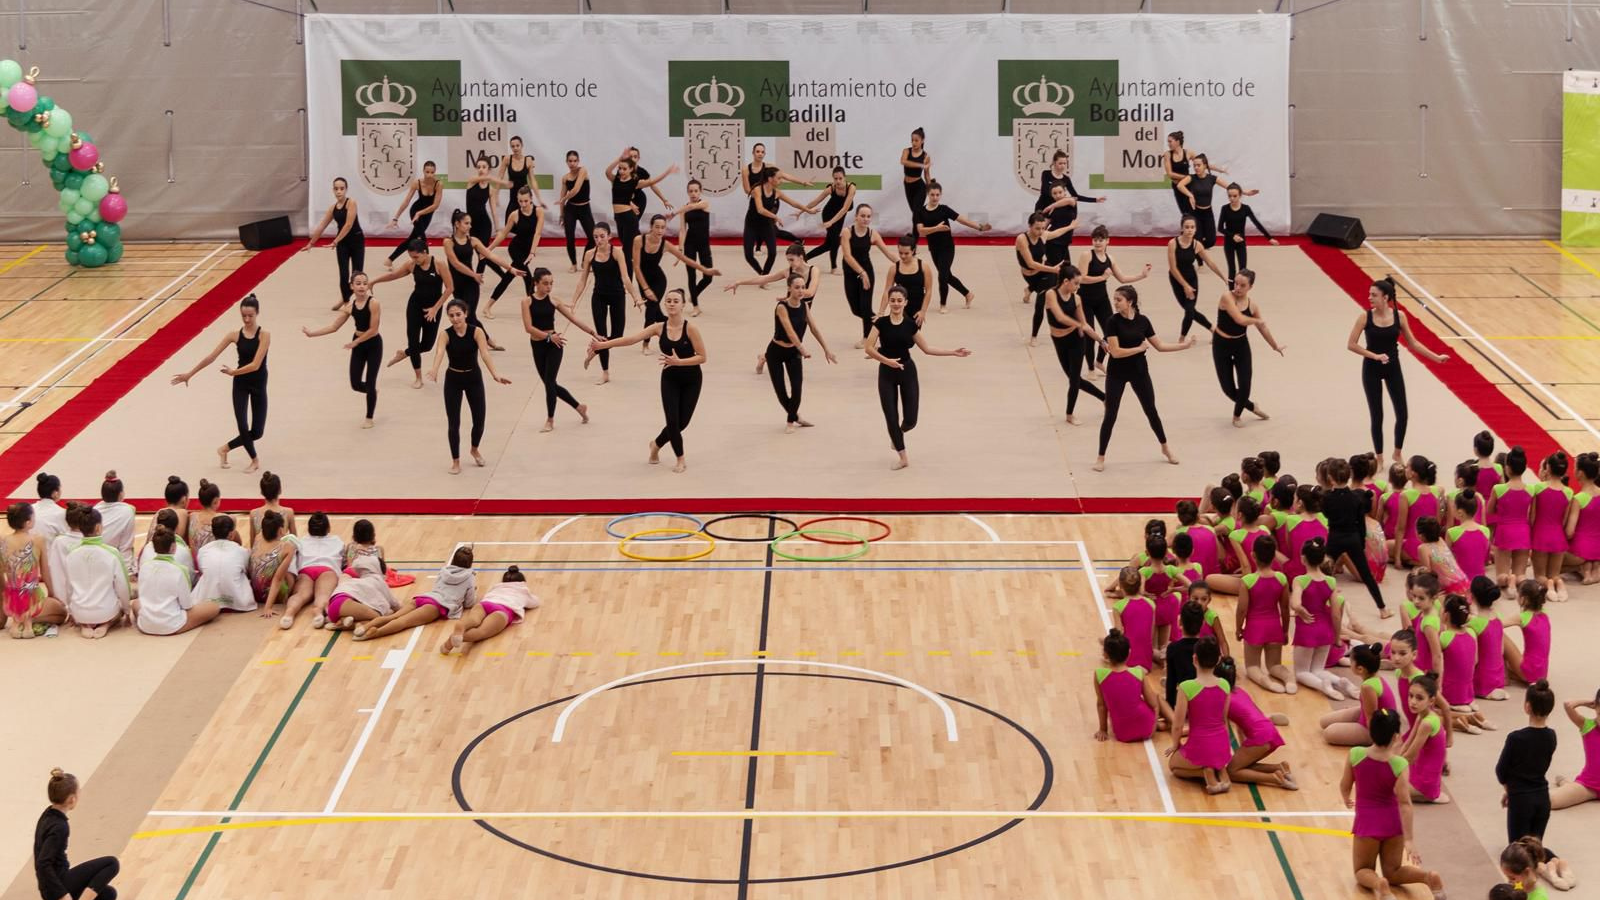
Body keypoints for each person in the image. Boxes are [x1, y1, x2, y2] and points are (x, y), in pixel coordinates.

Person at [587, 289, 705, 473]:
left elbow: (702, 357)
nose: (672, 303)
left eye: (676, 301)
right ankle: (680, 458)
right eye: (669, 301)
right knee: (673, 422)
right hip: (670, 379)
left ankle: (656, 444)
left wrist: (679, 362)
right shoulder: (658, 327)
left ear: (683, 305)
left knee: (683, 422)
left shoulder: (691, 329)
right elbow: (631, 339)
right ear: (665, 304)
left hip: (692, 380)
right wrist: (604, 345)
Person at [1339, 708, 1446, 899]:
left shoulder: (1355, 754)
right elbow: (1405, 803)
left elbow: (1345, 784)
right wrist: (1409, 840)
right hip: (1393, 823)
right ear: (1396, 736)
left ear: (1371, 730)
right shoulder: (1399, 764)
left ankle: (1378, 884)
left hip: (1367, 823)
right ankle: (1428, 877)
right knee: (1393, 870)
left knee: (1362, 870)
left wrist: (1346, 797)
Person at [864, 285, 972, 471]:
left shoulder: (910, 325)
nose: (896, 304)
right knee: (891, 416)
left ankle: (899, 433)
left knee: (911, 419)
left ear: (905, 302)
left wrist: (953, 352)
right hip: (887, 373)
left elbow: (928, 349)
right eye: (893, 300)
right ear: (888, 302)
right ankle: (903, 456)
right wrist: (886, 361)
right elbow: (869, 348)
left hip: (907, 371)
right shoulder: (880, 323)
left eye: (899, 300)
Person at [1348, 275, 1450, 462]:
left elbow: (1413, 343)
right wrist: (1374, 355)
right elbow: (1351, 344)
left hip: (1393, 367)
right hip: (1371, 368)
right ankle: (1379, 457)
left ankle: (1397, 452)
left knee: (1402, 413)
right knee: (1377, 414)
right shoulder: (1365, 317)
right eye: (1369, 294)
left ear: (1385, 297)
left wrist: (1436, 358)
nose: (1369, 298)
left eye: (1374, 295)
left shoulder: (1399, 316)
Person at [1094, 285, 1192, 472]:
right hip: (1117, 373)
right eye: (1114, 299)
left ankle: (1165, 447)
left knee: (1151, 410)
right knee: (1110, 414)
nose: (1115, 303)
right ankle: (1101, 456)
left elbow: (1160, 346)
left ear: (1130, 302)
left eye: (1119, 300)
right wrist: (1138, 349)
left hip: (1139, 372)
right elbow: (1115, 352)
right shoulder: (1112, 322)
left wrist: (1184, 346)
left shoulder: (1143, 321)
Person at [170, 294, 270, 472]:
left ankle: (224, 449)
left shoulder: (264, 336)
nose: (247, 319)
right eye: (243, 316)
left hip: (258, 382)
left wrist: (233, 372)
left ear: (257, 314)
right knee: (242, 424)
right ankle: (254, 460)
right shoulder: (234, 335)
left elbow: (255, 365)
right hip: (240, 384)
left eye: (250, 316)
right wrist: (190, 374)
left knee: (257, 432)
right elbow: (212, 356)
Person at [428, 299, 513, 474]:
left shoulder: (477, 332)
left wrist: (495, 374)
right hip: (453, 379)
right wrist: (434, 369)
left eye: (458, 314)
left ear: (465, 314)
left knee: (479, 421)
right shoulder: (445, 334)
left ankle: (474, 449)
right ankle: (456, 461)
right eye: (451, 316)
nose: (455, 318)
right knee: (454, 423)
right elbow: (439, 352)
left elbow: (485, 354)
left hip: (473, 377)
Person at [303, 270, 383, 427]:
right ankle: (372, 392)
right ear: (351, 286)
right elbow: (334, 327)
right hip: (358, 343)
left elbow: (373, 329)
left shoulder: (374, 303)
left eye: (365, 283)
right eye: (358, 283)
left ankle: (369, 417)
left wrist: (356, 342)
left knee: (371, 380)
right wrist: (312, 334)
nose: (362, 286)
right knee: (355, 383)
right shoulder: (349, 306)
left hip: (373, 344)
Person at [370, 237, 452, 389]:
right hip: (415, 306)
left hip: (433, 308)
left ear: (425, 252)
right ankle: (418, 377)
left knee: (427, 345)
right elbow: (393, 275)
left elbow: (449, 288)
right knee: (413, 341)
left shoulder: (439, 264)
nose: (414, 260)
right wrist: (374, 281)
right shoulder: (412, 265)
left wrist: (435, 308)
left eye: (416, 257)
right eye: (411, 257)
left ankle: (405, 353)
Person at [522, 267, 596, 432]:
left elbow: (574, 319)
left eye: (551, 284)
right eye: (545, 283)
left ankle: (550, 420)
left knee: (549, 383)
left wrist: (593, 333)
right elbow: (528, 328)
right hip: (539, 344)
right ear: (536, 283)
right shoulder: (526, 302)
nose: (549, 287)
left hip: (555, 345)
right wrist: (548, 337)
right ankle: (579, 407)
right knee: (550, 384)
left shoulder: (554, 301)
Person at [570, 221, 644, 385]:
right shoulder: (590, 254)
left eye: (602, 236)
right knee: (602, 336)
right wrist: (573, 302)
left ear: (609, 237)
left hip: (617, 295)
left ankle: (594, 351)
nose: (599, 240)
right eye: (595, 237)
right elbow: (582, 281)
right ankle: (605, 372)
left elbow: (626, 278)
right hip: (599, 297)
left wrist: (636, 298)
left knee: (617, 335)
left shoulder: (617, 253)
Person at [763, 272, 838, 432]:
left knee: (797, 388)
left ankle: (791, 420)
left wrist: (826, 349)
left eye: (803, 287)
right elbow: (790, 332)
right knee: (781, 391)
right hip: (775, 352)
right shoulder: (782, 307)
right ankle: (795, 418)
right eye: (797, 287)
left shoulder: (804, 306)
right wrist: (802, 349)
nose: (801, 290)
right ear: (789, 288)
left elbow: (814, 328)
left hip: (793, 353)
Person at [1211, 268, 1284, 426]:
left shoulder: (1252, 306)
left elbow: (1263, 328)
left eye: (1242, 285)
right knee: (1228, 389)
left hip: (1241, 344)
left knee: (1245, 385)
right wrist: (1256, 321)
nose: (1237, 287)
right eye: (1236, 283)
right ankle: (1251, 406)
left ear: (1250, 287)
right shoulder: (1226, 297)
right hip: (1221, 345)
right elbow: (1239, 319)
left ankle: (1236, 416)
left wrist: (1274, 345)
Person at [356, 546, 476, 642]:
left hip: (424, 597)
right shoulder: (469, 577)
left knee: (393, 616)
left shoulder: (444, 570)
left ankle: (364, 628)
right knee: (404, 622)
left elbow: (437, 587)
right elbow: (469, 603)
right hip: (436, 606)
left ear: (454, 559)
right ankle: (376, 633)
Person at [441, 209, 522, 350]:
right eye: (466, 223)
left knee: (469, 314)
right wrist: (474, 274)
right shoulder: (448, 242)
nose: (470, 226)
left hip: (471, 283)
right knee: (465, 316)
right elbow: (455, 263)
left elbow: (491, 256)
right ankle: (477, 339)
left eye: (470, 223)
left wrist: (510, 268)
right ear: (457, 224)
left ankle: (486, 341)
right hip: (457, 283)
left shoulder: (473, 241)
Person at [34, 769, 119, 900]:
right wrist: (62, 895)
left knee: (108, 894)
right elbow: (43, 864)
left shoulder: (47, 815)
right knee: (112, 864)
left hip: (53, 884)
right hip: (57, 886)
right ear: (72, 799)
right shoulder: (60, 827)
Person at [634, 213, 720, 344]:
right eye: (657, 227)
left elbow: (685, 259)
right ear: (651, 227)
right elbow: (636, 267)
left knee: (650, 311)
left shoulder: (665, 244)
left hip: (658, 280)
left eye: (663, 227)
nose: (660, 231)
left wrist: (705, 269)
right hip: (643, 281)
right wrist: (645, 288)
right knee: (657, 314)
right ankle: (677, 330)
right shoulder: (639, 240)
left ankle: (645, 343)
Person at [1214, 656, 1297, 790]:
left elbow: (1221, 727)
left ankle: (1274, 778)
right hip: (1270, 731)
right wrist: (1244, 749)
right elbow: (1241, 725)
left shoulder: (1221, 698)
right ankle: (1280, 767)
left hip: (1259, 736)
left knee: (1232, 772)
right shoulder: (1240, 691)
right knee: (1241, 765)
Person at [1076, 226, 1151, 373]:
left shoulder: (1110, 259)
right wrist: (1102, 277)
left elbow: (1122, 278)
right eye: (1095, 240)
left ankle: (1099, 361)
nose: (1097, 243)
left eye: (1101, 240)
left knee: (1111, 331)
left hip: (1101, 299)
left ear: (1107, 241)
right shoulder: (1087, 255)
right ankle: (1091, 368)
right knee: (1089, 335)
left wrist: (1141, 275)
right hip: (1085, 299)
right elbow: (1081, 279)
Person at [1324, 457, 1390, 616]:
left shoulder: (1326, 498)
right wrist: (1361, 543)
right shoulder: (1357, 497)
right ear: (1349, 476)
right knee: (1367, 575)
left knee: (1322, 571)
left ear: (1330, 478)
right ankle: (1382, 608)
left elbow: (1326, 515)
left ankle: (1321, 602)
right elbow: (1361, 522)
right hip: (1353, 537)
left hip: (1335, 537)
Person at [1166, 636, 1233, 794]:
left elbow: (1178, 725)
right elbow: (1224, 719)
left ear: (1194, 659)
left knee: (1173, 766)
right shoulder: (1225, 684)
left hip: (1201, 746)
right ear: (1218, 660)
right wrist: (1226, 748)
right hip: (1222, 745)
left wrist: (1176, 745)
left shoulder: (1186, 687)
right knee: (1212, 756)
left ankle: (1205, 772)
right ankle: (1220, 771)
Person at [913, 180, 991, 312]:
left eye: (938, 195)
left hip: (947, 247)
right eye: (932, 195)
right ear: (928, 194)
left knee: (942, 276)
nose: (935, 197)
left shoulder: (944, 209)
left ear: (941, 195)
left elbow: (962, 220)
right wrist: (936, 228)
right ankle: (967, 294)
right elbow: (921, 231)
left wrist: (979, 227)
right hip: (934, 248)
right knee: (946, 275)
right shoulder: (920, 212)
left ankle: (943, 305)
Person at [1043, 265, 1105, 425]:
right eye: (1076, 283)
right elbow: (1060, 317)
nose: (1078, 287)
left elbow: (1084, 325)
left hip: (1076, 341)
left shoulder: (1076, 299)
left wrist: (1101, 341)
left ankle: (1069, 414)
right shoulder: (1051, 294)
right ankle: (1105, 398)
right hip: (1059, 341)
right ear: (1065, 281)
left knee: (1074, 381)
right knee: (1073, 378)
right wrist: (1078, 325)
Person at [1498, 679, 1558, 844]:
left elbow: (1501, 771)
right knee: (1534, 849)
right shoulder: (1551, 736)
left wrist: (1510, 790)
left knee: (1518, 852)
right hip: (1542, 797)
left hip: (1521, 799)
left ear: (1527, 707)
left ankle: (1555, 862)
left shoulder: (1516, 738)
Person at [133, 526, 219, 637]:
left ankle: (151, 622)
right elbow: (187, 605)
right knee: (213, 607)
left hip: (145, 625)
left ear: (153, 547)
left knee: (136, 603)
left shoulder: (144, 566)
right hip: (171, 624)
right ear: (173, 547)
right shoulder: (179, 570)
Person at [440, 563, 541, 656]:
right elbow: (535, 603)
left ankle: (462, 625)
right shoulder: (523, 590)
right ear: (522, 582)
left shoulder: (497, 587)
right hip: (502, 610)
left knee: (474, 620)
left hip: (485, 604)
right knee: (480, 632)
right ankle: (449, 642)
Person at [606, 150, 676, 279]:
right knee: (626, 245)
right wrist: (619, 158)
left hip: (628, 218)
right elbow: (607, 171)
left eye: (624, 169)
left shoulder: (634, 183)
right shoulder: (616, 179)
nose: (621, 171)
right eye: (620, 168)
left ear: (631, 170)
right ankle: (643, 253)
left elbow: (652, 182)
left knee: (626, 251)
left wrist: (667, 172)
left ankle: (628, 280)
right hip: (619, 217)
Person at [63, 508, 129, 638]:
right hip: (106, 611)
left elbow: (68, 588)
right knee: (120, 609)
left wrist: (71, 611)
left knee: (83, 606)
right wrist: (127, 610)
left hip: (79, 612)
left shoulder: (71, 554)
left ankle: (84, 624)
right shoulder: (112, 553)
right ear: (98, 527)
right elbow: (123, 587)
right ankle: (106, 624)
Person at [4, 503, 66, 639]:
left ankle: (17, 619)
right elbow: (45, 572)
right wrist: (52, 594)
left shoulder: (3, 541)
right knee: (62, 613)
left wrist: (5, 594)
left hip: (12, 597)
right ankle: (27, 619)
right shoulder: (38, 539)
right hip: (32, 597)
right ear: (28, 522)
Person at [303, 176, 365, 308]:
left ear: (346, 189)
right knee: (343, 274)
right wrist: (311, 243)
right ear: (333, 190)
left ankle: (356, 299)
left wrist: (335, 241)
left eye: (342, 189)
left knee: (357, 273)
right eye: (336, 189)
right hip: (342, 243)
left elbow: (348, 225)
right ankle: (346, 301)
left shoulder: (351, 203)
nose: (339, 192)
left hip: (356, 240)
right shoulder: (333, 208)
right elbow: (322, 226)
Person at [1016, 212, 1076, 345]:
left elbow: (1057, 233)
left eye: (1043, 228)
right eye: (1037, 228)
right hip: (1031, 274)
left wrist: (1070, 226)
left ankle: (1034, 336)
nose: (1040, 231)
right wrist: (1053, 269)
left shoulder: (1043, 235)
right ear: (1029, 226)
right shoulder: (1022, 239)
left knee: (1041, 303)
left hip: (1045, 272)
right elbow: (1030, 264)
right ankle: (1029, 289)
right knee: (1039, 286)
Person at [482, 187, 543, 316]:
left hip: (527, 251)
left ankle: (487, 306)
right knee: (527, 276)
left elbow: (537, 233)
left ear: (531, 199)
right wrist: (488, 250)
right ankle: (534, 309)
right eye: (520, 201)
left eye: (526, 201)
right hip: (515, 249)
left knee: (508, 277)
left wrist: (532, 252)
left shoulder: (538, 212)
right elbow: (503, 234)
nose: (523, 204)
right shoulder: (514, 215)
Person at [1093, 628, 1161, 743]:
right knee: (1158, 698)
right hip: (1147, 729)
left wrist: (1103, 730)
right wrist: (1154, 724)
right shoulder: (1138, 672)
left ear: (1105, 654)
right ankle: (1169, 723)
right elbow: (1154, 704)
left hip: (1122, 734)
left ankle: (1165, 724)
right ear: (1129, 652)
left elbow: (1101, 705)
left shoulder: (1099, 674)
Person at [1322, 643, 1398, 746]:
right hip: (1371, 715)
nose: (1350, 663)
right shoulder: (1375, 677)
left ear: (1360, 669)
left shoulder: (1368, 687)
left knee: (1329, 733)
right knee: (1324, 722)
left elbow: (1372, 717)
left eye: (1351, 661)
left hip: (1377, 728)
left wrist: (1377, 742)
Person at [1174, 153, 1256, 248]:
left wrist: (1245, 192)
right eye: (1194, 166)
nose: (1196, 168)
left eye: (1198, 165)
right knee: (1198, 239)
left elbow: (1229, 187)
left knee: (1211, 241)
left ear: (1205, 166)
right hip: (1195, 213)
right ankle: (1197, 253)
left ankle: (1196, 248)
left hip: (1208, 212)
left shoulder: (1211, 178)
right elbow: (1180, 185)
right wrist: (1190, 195)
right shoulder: (1191, 178)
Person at [840, 204, 897, 342]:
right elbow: (847, 256)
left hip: (867, 272)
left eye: (868, 216)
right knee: (855, 309)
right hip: (851, 272)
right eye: (862, 216)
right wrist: (861, 272)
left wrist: (905, 263)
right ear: (856, 217)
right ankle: (882, 324)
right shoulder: (847, 232)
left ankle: (867, 338)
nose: (865, 219)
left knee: (865, 307)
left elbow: (888, 253)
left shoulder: (872, 234)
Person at [1166, 215, 1225, 339]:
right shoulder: (1173, 243)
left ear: (1195, 229)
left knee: (1189, 310)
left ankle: (1181, 339)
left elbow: (1210, 263)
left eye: (1192, 227)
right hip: (1176, 280)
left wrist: (1223, 277)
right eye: (1187, 227)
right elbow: (1173, 268)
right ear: (1182, 228)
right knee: (1190, 310)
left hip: (1192, 279)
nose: (1189, 230)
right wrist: (1185, 286)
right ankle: (1214, 330)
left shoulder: (1197, 245)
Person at [282, 512, 343, 629]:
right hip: (327, 570)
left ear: (309, 529)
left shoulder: (302, 541)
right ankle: (318, 612)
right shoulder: (337, 541)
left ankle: (289, 613)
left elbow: (293, 560)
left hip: (306, 570)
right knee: (323, 595)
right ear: (328, 528)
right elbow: (343, 560)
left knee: (300, 594)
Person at [1491, 447, 1536, 590]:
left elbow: (1489, 510)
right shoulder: (1531, 489)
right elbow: (1532, 517)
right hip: (1523, 531)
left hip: (1504, 531)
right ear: (1525, 468)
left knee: (1501, 576)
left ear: (1507, 468)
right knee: (1520, 574)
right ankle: (1517, 580)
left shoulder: (1498, 489)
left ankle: (1508, 580)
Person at [1531, 452, 1573, 602]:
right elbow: (1564, 519)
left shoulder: (1538, 488)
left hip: (1540, 535)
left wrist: (1531, 533)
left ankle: (1548, 585)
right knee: (1555, 574)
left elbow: (1532, 516)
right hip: (1558, 536)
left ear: (1547, 468)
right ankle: (1558, 582)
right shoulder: (1569, 492)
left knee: (1539, 576)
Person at [191, 515, 254, 613]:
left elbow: (202, 570)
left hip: (207, 599)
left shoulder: (203, 550)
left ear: (213, 533)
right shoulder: (242, 551)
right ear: (231, 534)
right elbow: (246, 570)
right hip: (238, 601)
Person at [1550, 688, 1600, 811]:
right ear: (1596, 709)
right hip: (1588, 786)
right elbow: (1568, 705)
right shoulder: (1587, 725)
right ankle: (1567, 785)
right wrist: (1588, 702)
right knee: (1551, 801)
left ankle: (1566, 784)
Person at [1216, 183, 1278, 280]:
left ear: (1240, 195)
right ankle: (1231, 292)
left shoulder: (1245, 208)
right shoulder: (1225, 209)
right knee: (1232, 270)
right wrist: (1232, 236)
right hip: (1229, 242)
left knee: (1243, 270)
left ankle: (1242, 293)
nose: (1232, 198)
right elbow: (1220, 228)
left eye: (1235, 196)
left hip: (1241, 242)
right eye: (1229, 196)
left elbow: (1257, 223)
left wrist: (1269, 238)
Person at [385, 160, 442, 264]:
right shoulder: (417, 183)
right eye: (427, 172)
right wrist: (395, 218)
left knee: (412, 238)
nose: (429, 175)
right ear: (423, 171)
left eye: (432, 172)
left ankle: (390, 259)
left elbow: (435, 205)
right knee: (422, 238)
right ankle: (428, 262)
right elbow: (406, 201)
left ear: (435, 172)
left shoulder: (438, 184)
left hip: (427, 213)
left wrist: (420, 213)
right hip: (415, 211)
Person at [800, 166, 855, 272]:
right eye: (835, 179)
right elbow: (816, 201)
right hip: (828, 215)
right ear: (833, 179)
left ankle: (804, 258)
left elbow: (844, 209)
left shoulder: (851, 188)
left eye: (840, 178)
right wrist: (802, 210)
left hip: (839, 215)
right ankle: (834, 267)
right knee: (835, 241)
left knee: (827, 245)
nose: (838, 181)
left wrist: (832, 222)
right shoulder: (831, 188)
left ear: (845, 178)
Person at [320, 556, 395, 631]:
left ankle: (342, 620)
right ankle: (351, 624)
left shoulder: (357, 581)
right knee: (380, 617)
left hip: (333, 607)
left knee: (369, 615)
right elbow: (393, 603)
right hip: (344, 603)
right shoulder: (378, 579)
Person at [462, 158, 512, 271]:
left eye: (484, 167)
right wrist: (504, 182)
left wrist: (498, 228)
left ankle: (477, 281)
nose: (481, 169)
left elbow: (494, 210)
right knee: (482, 254)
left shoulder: (490, 189)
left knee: (483, 255)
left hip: (485, 224)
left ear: (488, 169)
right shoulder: (471, 181)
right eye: (479, 167)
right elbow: (488, 178)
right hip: (471, 225)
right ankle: (502, 275)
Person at [675, 179, 715, 313]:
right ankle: (696, 307)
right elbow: (682, 230)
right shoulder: (684, 210)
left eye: (696, 191)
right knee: (691, 275)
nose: (693, 193)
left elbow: (692, 207)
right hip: (690, 244)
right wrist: (680, 248)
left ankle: (693, 295)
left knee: (708, 277)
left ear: (700, 192)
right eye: (691, 191)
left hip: (703, 244)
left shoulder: (704, 204)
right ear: (687, 192)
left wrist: (679, 210)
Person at [249, 510, 296, 617]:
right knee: (293, 572)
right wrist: (268, 607)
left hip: (255, 593)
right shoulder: (287, 547)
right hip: (274, 596)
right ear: (280, 530)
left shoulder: (258, 537)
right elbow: (277, 579)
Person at [1564, 452, 1600, 585]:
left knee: (1547, 564)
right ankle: (1592, 566)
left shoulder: (1578, 499)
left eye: (1574, 468)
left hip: (1580, 552)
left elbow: (1569, 532)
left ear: (1580, 473)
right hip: (1598, 548)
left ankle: (1581, 566)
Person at [556, 149, 595, 272]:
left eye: (574, 161)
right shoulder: (565, 178)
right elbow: (561, 198)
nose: (572, 163)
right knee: (570, 237)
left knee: (593, 237)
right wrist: (561, 214)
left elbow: (576, 189)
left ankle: (585, 261)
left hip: (584, 208)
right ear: (566, 162)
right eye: (570, 161)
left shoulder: (583, 171)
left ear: (578, 161)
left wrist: (564, 198)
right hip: (571, 209)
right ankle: (573, 264)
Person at [91, 472, 135, 571]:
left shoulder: (95, 508)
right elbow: (126, 545)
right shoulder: (127, 511)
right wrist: (128, 570)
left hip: (93, 558)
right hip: (113, 560)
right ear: (120, 494)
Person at [498, 136, 545, 221]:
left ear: (522, 145)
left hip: (525, 198)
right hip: (513, 198)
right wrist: (496, 196)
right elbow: (499, 178)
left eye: (517, 145)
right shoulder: (507, 159)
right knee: (510, 225)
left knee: (528, 225)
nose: (515, 148)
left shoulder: (528, 160)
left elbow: (533, 181)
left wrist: (539, 199)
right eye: (512, 146)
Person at [249, 471, 296, 546]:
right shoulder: (288, 512)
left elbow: (253, 544)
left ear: (262, 492)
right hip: (281, 554)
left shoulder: (253, 513)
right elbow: (294, 542)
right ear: (280, 490)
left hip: (261, 554)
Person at [1162, 131, 1196, 217]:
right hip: (1178, 187)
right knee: (1185, 212)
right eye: (1168, 142)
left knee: (1193, 210)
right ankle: (1186, 229)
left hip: (1188, 186)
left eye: (1170, 141)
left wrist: (1219, 169)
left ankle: (1196, 229)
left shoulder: (1188, 153)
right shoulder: (1167, 154)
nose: (1168, 144)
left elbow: (1203, 163)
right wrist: (1187, 177)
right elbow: (1170, 174)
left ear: (1177, 142)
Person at [899, 127, 931, 217]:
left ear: (922, 140)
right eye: (912, 140)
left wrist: (930, 190)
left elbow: (927, 175)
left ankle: (918, 231)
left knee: (916, 211)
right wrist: (921, 165)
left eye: (916, 140)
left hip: (919, 187)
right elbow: (903, 161)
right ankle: (924, 227)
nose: (913, 143)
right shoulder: (906, 151)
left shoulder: (926, 156)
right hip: (908, 185)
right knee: (915, 211)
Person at [31, 472, 67, 542]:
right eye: (60, 488)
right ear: (55, 493)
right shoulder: (61, 513)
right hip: (50, 551)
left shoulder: (29, 509)